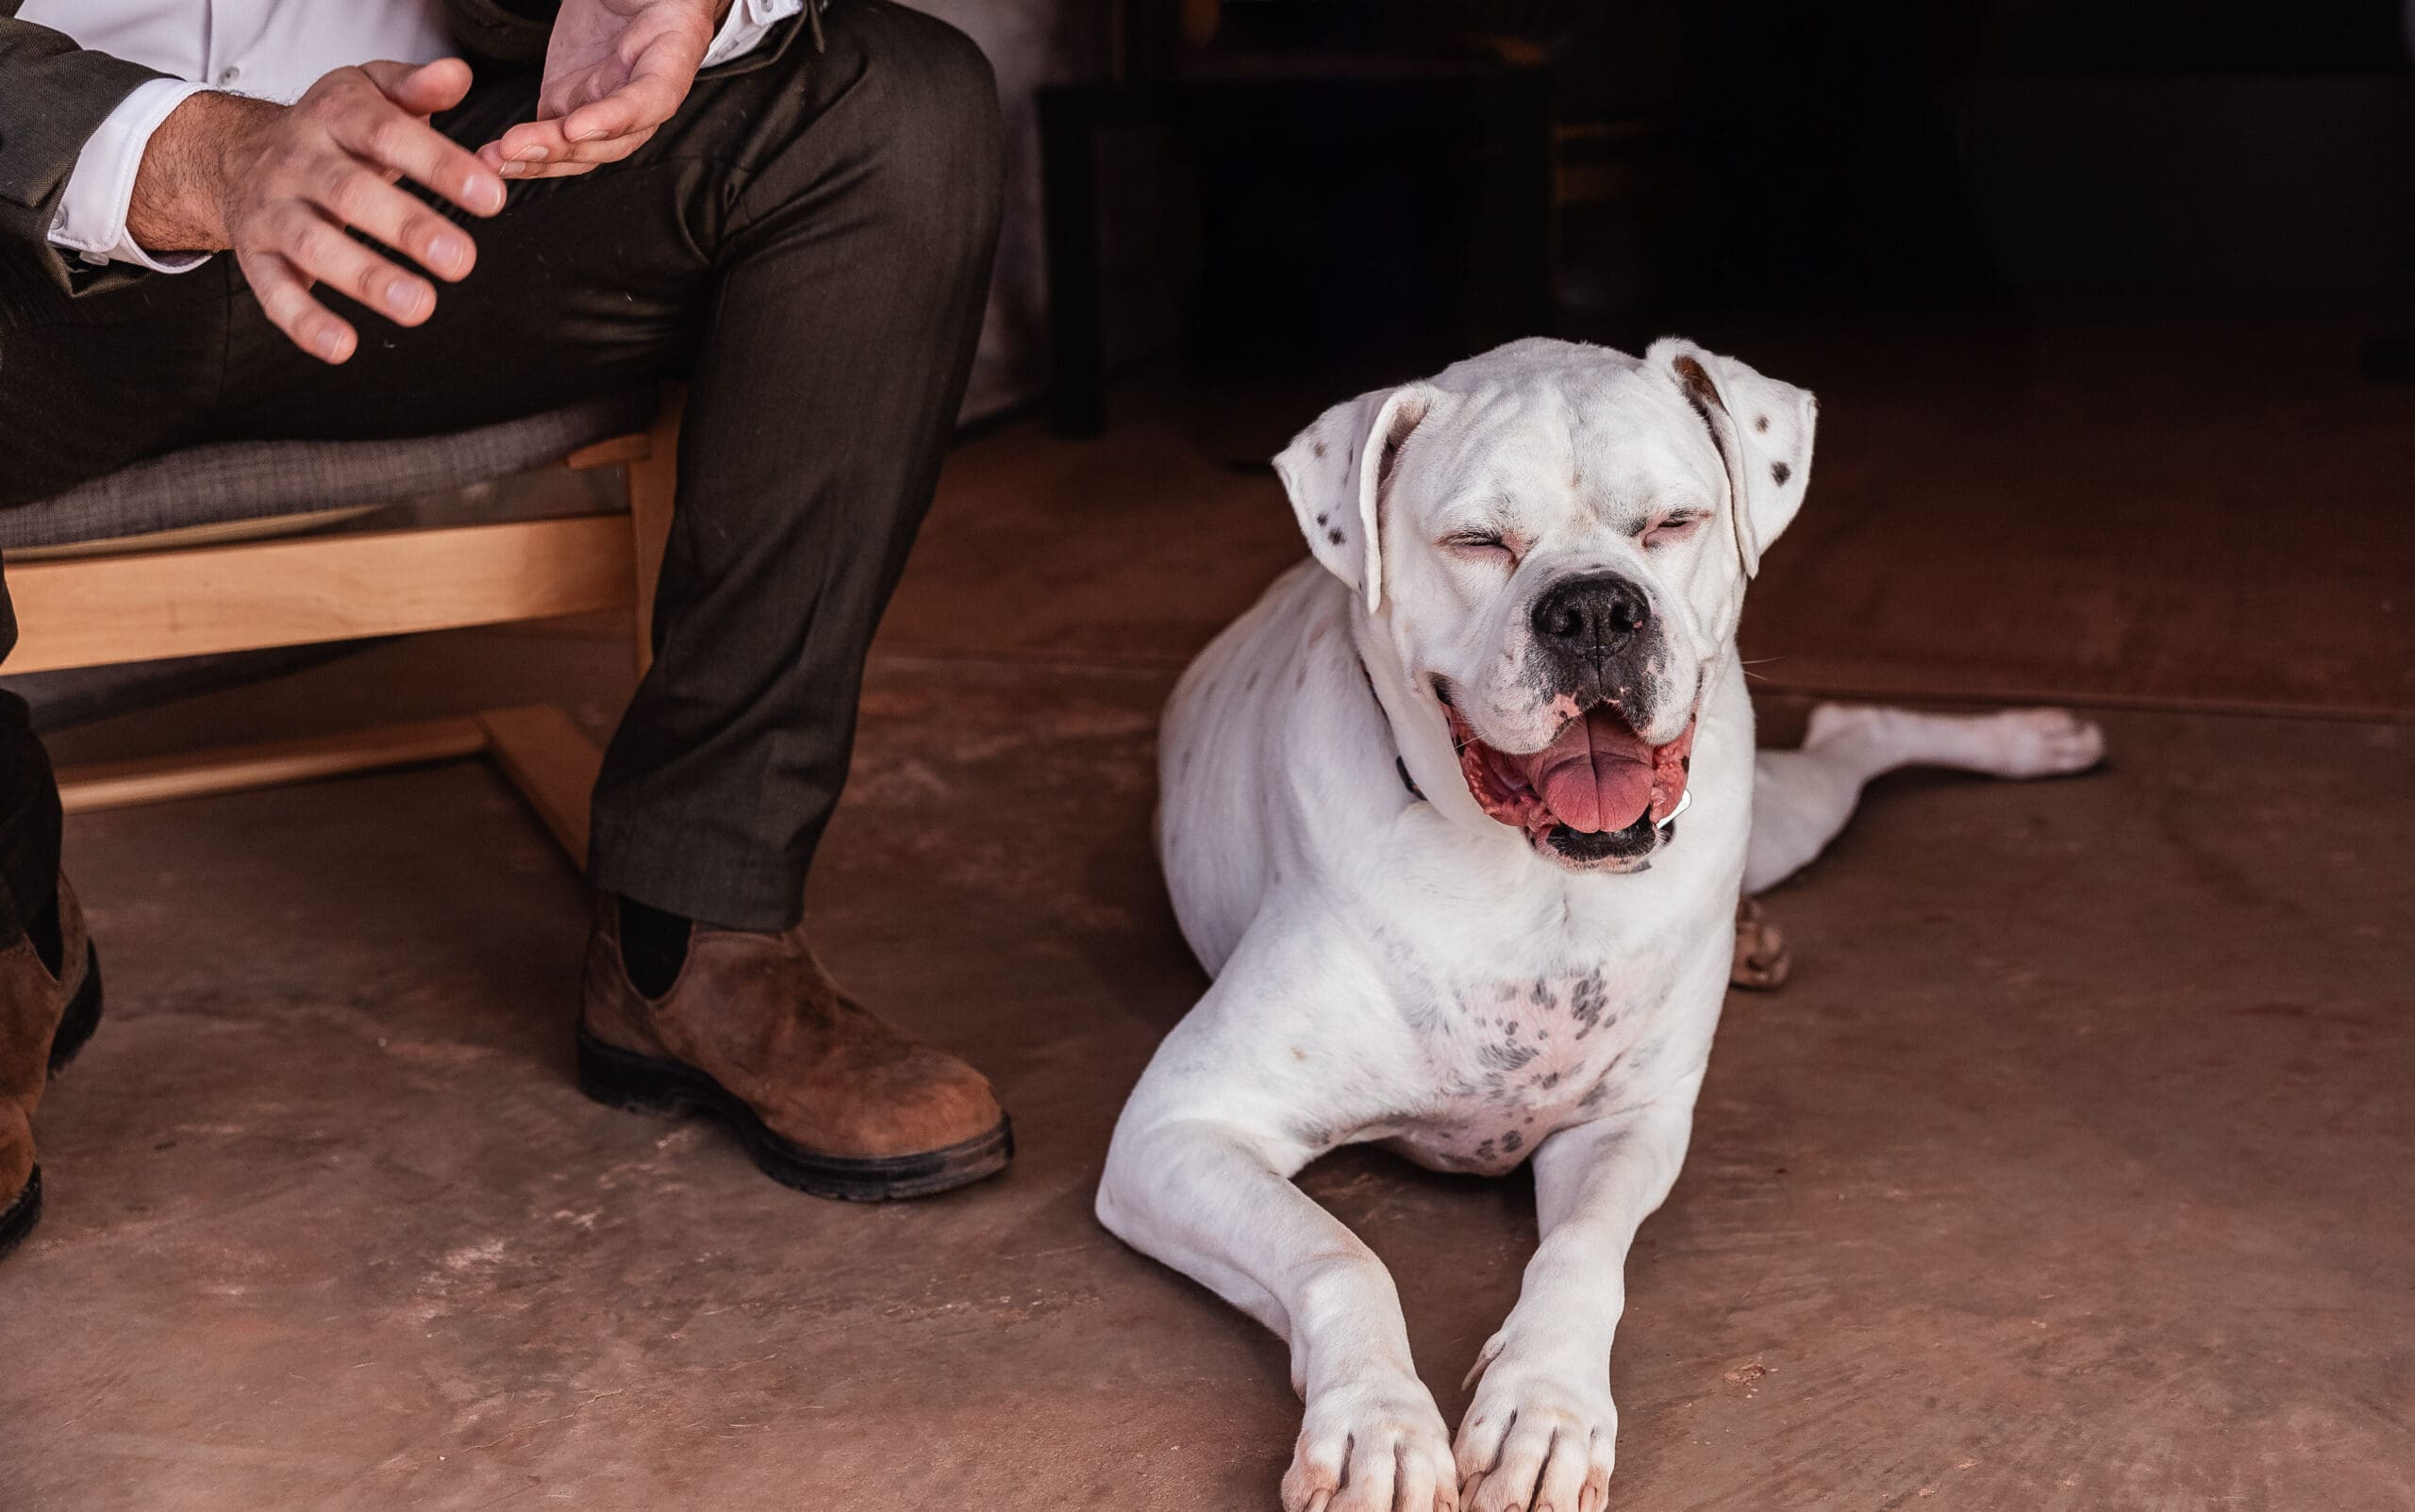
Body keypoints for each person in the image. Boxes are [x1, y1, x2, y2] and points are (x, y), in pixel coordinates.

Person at [0, 0, 1015, 1258]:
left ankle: (695, 936)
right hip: (31, 265)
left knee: (890, 113)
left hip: (458, 195)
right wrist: (197, 154)